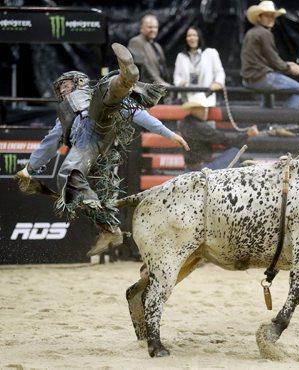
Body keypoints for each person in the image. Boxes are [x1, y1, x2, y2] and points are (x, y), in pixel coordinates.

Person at [14, 43, 189, 257]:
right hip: (89, 143)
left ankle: (125, 78)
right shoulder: (66, 115)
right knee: (66, 177)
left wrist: (168, 133)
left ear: (78, 81)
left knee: (106, 95)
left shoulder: (85, 95)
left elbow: (138, 114)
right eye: (59, 88)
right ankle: (109, 229)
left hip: (97, 126)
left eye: (65, 85)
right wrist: (30, 169)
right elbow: (49, 143)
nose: (61, 90)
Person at [241, 1, 299, 108]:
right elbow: (274, 60)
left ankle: (267, 122)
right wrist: (289, 68)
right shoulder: (264, 33)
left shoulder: (251, 33)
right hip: (261, 78)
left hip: (249, 80)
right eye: (267, 15)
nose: (271, 18)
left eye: (273, 16)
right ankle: (283, 122)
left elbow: (265, 60)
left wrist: (287, 64)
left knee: (268, 99)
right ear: (259, 17)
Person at [179, 93, 258, 171]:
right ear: (193, 109)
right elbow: (225, 140)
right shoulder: (200, 127)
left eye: (206, 108)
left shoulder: (184, 122)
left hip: (193, 166)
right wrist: (247, 134)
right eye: (202, 108)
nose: (205, 111)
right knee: (235, 152)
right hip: (202, 168)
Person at [173, 26, 226, 106]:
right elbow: (176, 76)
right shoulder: (181, 56)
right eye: (189, 36)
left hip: (206, 97)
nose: (192, 38)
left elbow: (219, 72)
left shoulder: (211, 53)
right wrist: (180, 82)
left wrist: (218, 83)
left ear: (199, 37)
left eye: (194, 35)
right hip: (186, 98)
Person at [127, 13, 169, 85]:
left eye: (155, 27)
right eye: (150, 27)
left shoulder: (157, 46)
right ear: (141, 28)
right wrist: (160, 82)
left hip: (159, 89)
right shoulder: (136, 42)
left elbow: (163, 69)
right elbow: (144, 67)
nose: (153, 30)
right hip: (144, 89)